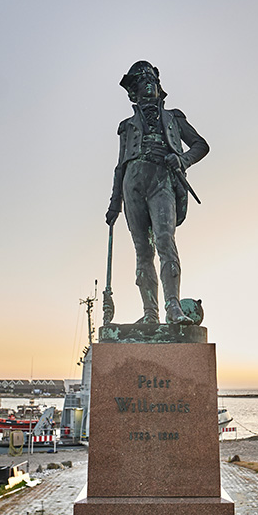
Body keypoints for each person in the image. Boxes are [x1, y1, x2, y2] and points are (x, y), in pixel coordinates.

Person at [106, 61, 210, 324]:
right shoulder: (126, 126)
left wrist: (182, 160)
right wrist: (114, 203)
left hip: (161, 178)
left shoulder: (173, 117)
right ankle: (150, 313)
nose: (149, 84)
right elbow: (120, 165)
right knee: (142, 250)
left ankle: (172, 306)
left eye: (152, 80)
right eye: (143, 81)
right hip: (132, 183)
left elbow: (200, 145)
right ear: (135, 90)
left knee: (165, 241)